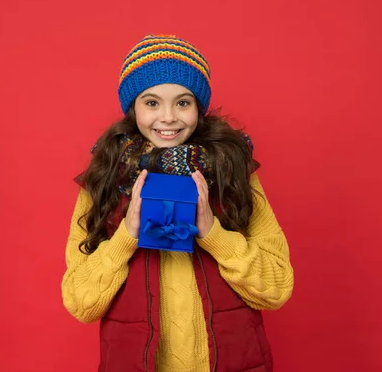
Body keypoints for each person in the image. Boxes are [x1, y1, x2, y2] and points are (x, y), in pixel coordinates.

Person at [61, 34, 294, 372]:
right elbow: (81, 303)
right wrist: (126, 235)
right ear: (132, 108)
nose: (168, 117)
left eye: (183, 102)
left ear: (199, 106)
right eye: (152, 102)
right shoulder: (104, 179)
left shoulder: (233, 172)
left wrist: (213, 234)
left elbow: (276, 289)